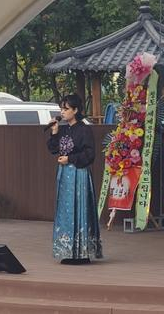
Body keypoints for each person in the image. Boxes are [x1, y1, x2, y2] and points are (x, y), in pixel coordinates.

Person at [47, 94, 103, 264]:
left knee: (79, 209)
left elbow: (89, 154)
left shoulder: (84, 130)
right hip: (64, 175)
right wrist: (54, 132)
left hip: (79, 174)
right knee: (65, 210)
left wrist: (70, 159)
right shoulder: (64, 129)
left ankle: (82, 252)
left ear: (76, 110)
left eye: (66, 109)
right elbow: (53, 149)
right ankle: (67, 251)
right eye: (61, 109)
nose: (62, 112)